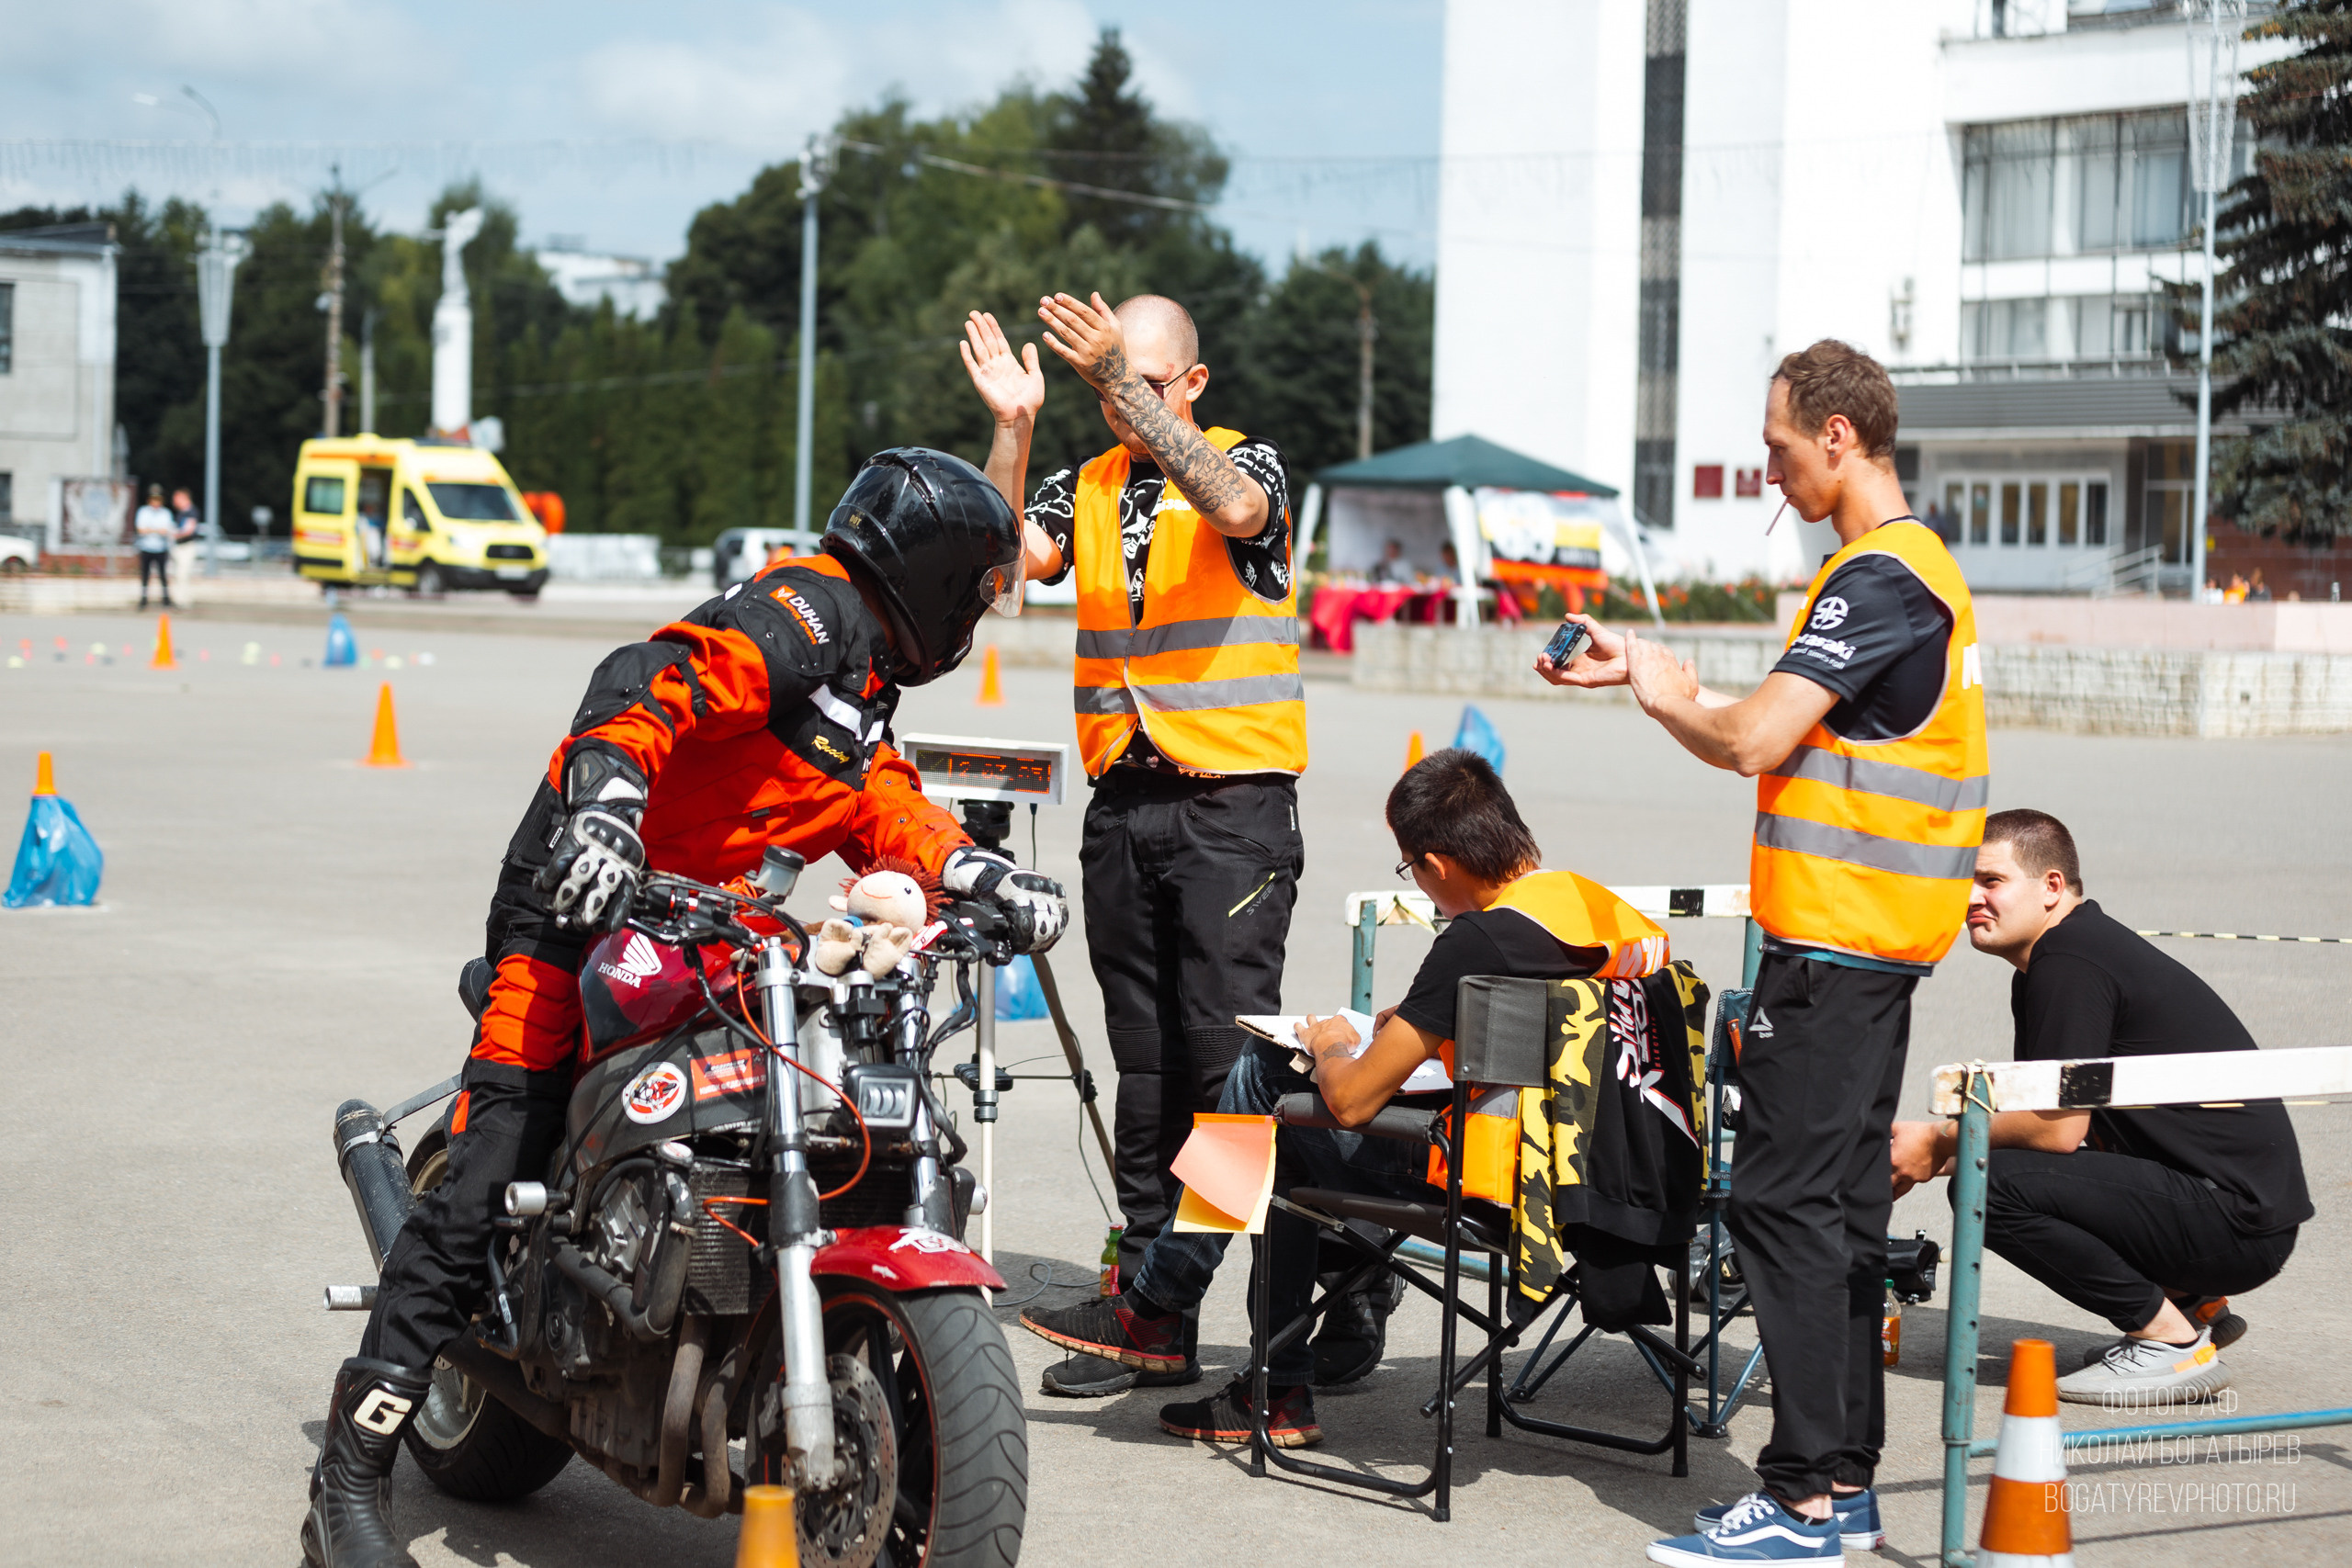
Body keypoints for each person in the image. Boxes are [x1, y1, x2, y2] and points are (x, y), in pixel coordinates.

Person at [301, 448, 1069, 1568]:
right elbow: (650, 679)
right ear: (939, 582)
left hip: (712, 929)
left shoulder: (863, 680)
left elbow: (874, 800)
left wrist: (974, 871)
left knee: (816, 1096)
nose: (976, 621)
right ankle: (346, 1486)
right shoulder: (808, 611)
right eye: (978, 596)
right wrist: (607, 805)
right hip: (581, 900)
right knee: (482, 1174)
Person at [1541, 341, 1988, 1566]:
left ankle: (1797, 1500)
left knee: (1783, 1206)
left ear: (1838, 435)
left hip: (1834, 951)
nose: (1769, 467)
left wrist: (1663, 696)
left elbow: (1751, 739)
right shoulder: (1916, 571)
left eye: (1779, 443)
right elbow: (1793, 728)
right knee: (1836, 1211)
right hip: (1869, 951)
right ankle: (1839, 1483)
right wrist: (1647, 673)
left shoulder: (1877, 576)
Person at [1017, 748, 1682, 1447]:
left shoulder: (1480, 941)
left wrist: (1333, 1043)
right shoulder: (1603, 913)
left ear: (1437, 864)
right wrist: (1424, 1021)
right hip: (1619, 1183)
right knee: (1275, 1128)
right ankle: (1240, 1363)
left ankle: (1174, 1317)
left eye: (1410, 868)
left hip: (1497, 1185)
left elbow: (1356, 1103)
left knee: (1263, 1082)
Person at [958, 294, 1318, 1396]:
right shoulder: (1088, 484)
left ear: (1191, 385)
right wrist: (1013, 429)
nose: (1121, 402)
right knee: (1148, 1072)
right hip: (1125, 805)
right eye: (1106, 383)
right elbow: (1000, 577)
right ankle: (1151, 1315)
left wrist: (1122, 383)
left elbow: (1239, 509)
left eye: (1145, 381)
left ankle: (1281, 1341)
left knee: (1231, 1073)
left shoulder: (1244, 459)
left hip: (1230, 811)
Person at [1890, 810, 2310, 1406]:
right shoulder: (2065, 954)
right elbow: (2051, 1130)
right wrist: (1935, 1149)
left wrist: (1936, 1144)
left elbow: (2056, 1130)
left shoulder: (2069, 961)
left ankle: (2168, 1340)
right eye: (1965, 881)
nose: (1972, 898)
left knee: (1989, 1187)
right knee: (2007, 1170)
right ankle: (2196, 1307)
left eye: (1991, 880)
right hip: (2239, 1212)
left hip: (2235, 1222)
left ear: (2052, 886)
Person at [134, 483, 176, 608]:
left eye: (158, 499)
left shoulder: (166, 513)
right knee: (145, 574)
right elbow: (141, 530)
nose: (156, 502)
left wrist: (151, 530)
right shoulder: (143, 511)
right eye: (153, 499)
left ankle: (165, 597)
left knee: (163, 574)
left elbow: (166, 530)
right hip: (146, 547)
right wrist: (156, 530)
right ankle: (144, 598)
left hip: (161, 548)